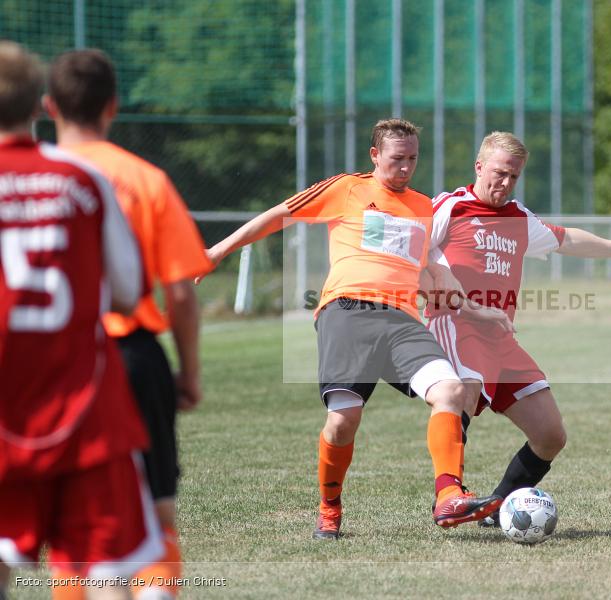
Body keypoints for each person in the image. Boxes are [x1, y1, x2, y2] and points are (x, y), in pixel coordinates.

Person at [198, 118, 503, 540]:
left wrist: (474, 310)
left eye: (413, 159)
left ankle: (448, 495)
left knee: (450, 391)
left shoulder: (422, 206)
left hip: (402, 319)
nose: (406, 167)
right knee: (343, 421)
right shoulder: (347, 188)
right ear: (375, 155)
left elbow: (421, 270)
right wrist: (218, 250)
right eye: (397, 158)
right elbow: (279, 215)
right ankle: (329, 506)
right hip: (347, 309)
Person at [424, 131, 611, 525]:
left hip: (501, 337)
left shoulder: (519, 218)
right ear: (479, 167)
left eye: (514, 176)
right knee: (464, 392)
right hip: (456, 323)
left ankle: (494, 509)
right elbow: (411, 252)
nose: (506, 183)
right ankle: (449, 496)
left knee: (551, 435)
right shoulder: (449, 207)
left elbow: (568, 239)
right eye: (500, 173)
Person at [43, 48, 211, 599]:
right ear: (113, 106)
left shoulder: (28, 181)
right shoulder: (145, 179)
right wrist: (188, 373)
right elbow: (180, 292)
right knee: (156, 502)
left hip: (57, 361)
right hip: (134, 356)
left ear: (49, 106)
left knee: (71, 512)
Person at [0, 41, 161, 600]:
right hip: (83, 407)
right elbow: (127, 293)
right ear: (38, 106)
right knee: (105, 571)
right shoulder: (81, 178)